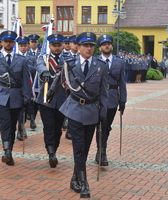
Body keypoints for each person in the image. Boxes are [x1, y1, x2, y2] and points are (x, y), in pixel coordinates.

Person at [59, 32, 108, 198]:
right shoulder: (70, 64)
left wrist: (103, 112)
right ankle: (84, 183)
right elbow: (59, 83)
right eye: (85, 45)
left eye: (91, 45)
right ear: (78, 47)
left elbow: (103, 92)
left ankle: (74, 178)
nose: (89, 48)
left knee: (85, 148)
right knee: (78, 148)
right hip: (74, 109)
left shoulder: (101, 65)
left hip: (92, 110)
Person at [0, 31, 32, 166]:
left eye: (10, 41)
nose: (8, 44)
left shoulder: (21, 60)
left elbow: (26, 80)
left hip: (16, 95)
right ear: (1, 43)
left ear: (14, 43)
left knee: (13, 125)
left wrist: (27, 96)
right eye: (5, 41)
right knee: (5, 124)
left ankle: (10, 149)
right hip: (1, 95)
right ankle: (7, 151)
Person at [35, 33, 67, 168]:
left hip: (62, 99)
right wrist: (44, 72)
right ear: (50, 46)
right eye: (54, 45)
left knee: (58, 129)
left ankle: (54, 147)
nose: (57, 48)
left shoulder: (67, 59)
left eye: (59, 45)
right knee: (49, 126)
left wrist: (66, 69)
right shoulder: (44, 58)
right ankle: (51, 152)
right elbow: (39, 66)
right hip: (46, 98)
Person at [95, 34, 127, 166]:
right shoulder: (95, 61)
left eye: (108, 43)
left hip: (113, 97)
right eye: (103, 44)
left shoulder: (120, 62)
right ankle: (101, 152)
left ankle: (101, 150)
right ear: (100, 47)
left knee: (107, 127)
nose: (106, 45)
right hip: (97, 98)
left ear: (112, 46)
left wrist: (123, 100)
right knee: (100, 126)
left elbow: (122, 82)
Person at [15, 36, 37, 141]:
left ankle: (22, 125)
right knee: (19, 109)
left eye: (24, 46)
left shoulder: (31, 58)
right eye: (21, 46)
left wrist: (25, 66)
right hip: (18, 86)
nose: (23, 48)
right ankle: (20, 129)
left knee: (26, 108)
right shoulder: (15, 57)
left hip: (28, 85)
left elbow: (35, 69)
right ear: (18, 47)